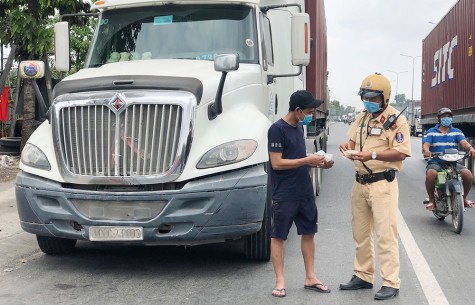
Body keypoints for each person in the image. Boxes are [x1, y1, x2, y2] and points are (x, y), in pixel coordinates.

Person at [338, 73, 411, 300]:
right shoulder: (362, 117)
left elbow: (401, 151)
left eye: (374, 98)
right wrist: (347, 147)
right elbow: (352, 141)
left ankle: (390, 282)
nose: (369, 102)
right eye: (365, 97)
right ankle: (363, 275)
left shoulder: (396, 120)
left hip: (382, 183)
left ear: (385, 98)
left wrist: (372, 154)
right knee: (360, 233)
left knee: (385, 235)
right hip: (360, 183)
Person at [267, 90, 334, 298]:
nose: (312, 115)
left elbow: (297, 156)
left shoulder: (298, 129)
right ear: (297, 110)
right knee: (279, 236)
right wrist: (307, 161)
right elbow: (277, 163)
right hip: (285, 193)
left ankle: (310, 277)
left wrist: (320, 162)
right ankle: (280, 282)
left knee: (308, 233)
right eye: (309, 111)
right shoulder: (276, 129)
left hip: (304, 190)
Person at [422, 107, 475, 210]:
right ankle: (432, 200)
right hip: (436, 161)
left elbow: (464, 143)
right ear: (439, 119)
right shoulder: (431, 131)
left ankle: (463, 199)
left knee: (468, 175)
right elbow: (426, 144)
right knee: (430, 174)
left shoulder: (457, 131)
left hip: (453, 162)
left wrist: (470, 148)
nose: (447, 118)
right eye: (444, 116)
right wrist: (427, 150)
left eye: (449, 116)